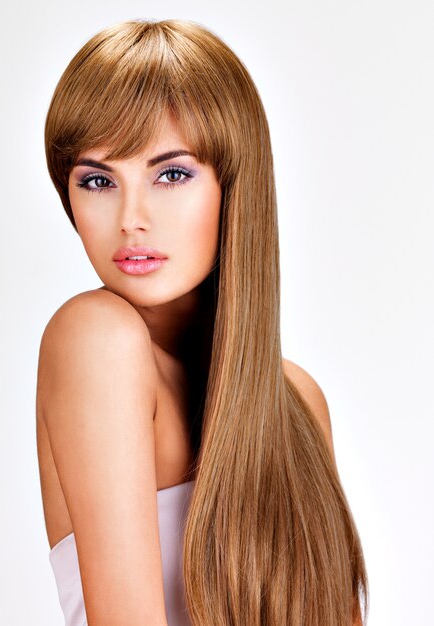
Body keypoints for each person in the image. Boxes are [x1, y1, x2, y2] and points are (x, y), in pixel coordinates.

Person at [36, 18, 369, 626]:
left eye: (170, 173)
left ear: (233, 185)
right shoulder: (96, 338)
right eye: (99, 180)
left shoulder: (298, 402)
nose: (132, 218)